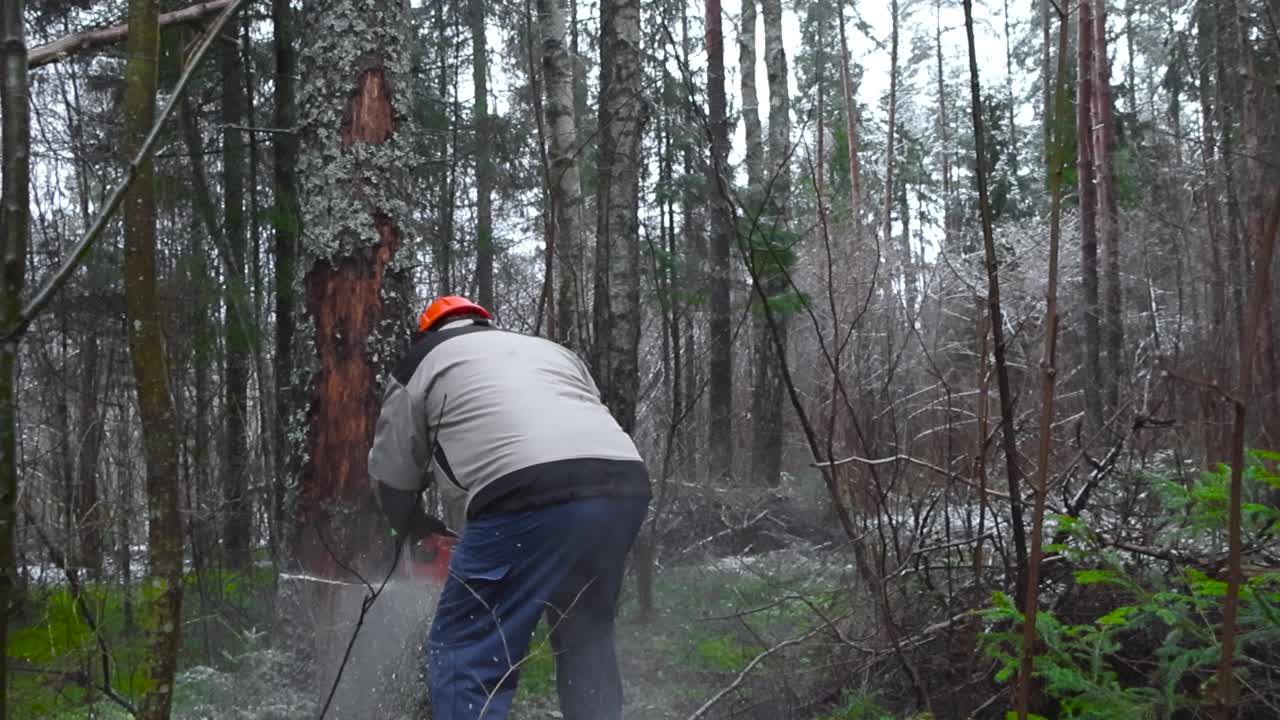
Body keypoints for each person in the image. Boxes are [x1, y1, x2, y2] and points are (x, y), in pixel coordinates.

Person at [367, 295, 651, 720]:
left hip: (524, 495)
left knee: (467, 649)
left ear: (425, 332)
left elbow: (392, 474)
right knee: (584, 634)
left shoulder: (422, 359)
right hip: (622, 484)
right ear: (484, 324)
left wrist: (410, 525)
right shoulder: (551, 352)